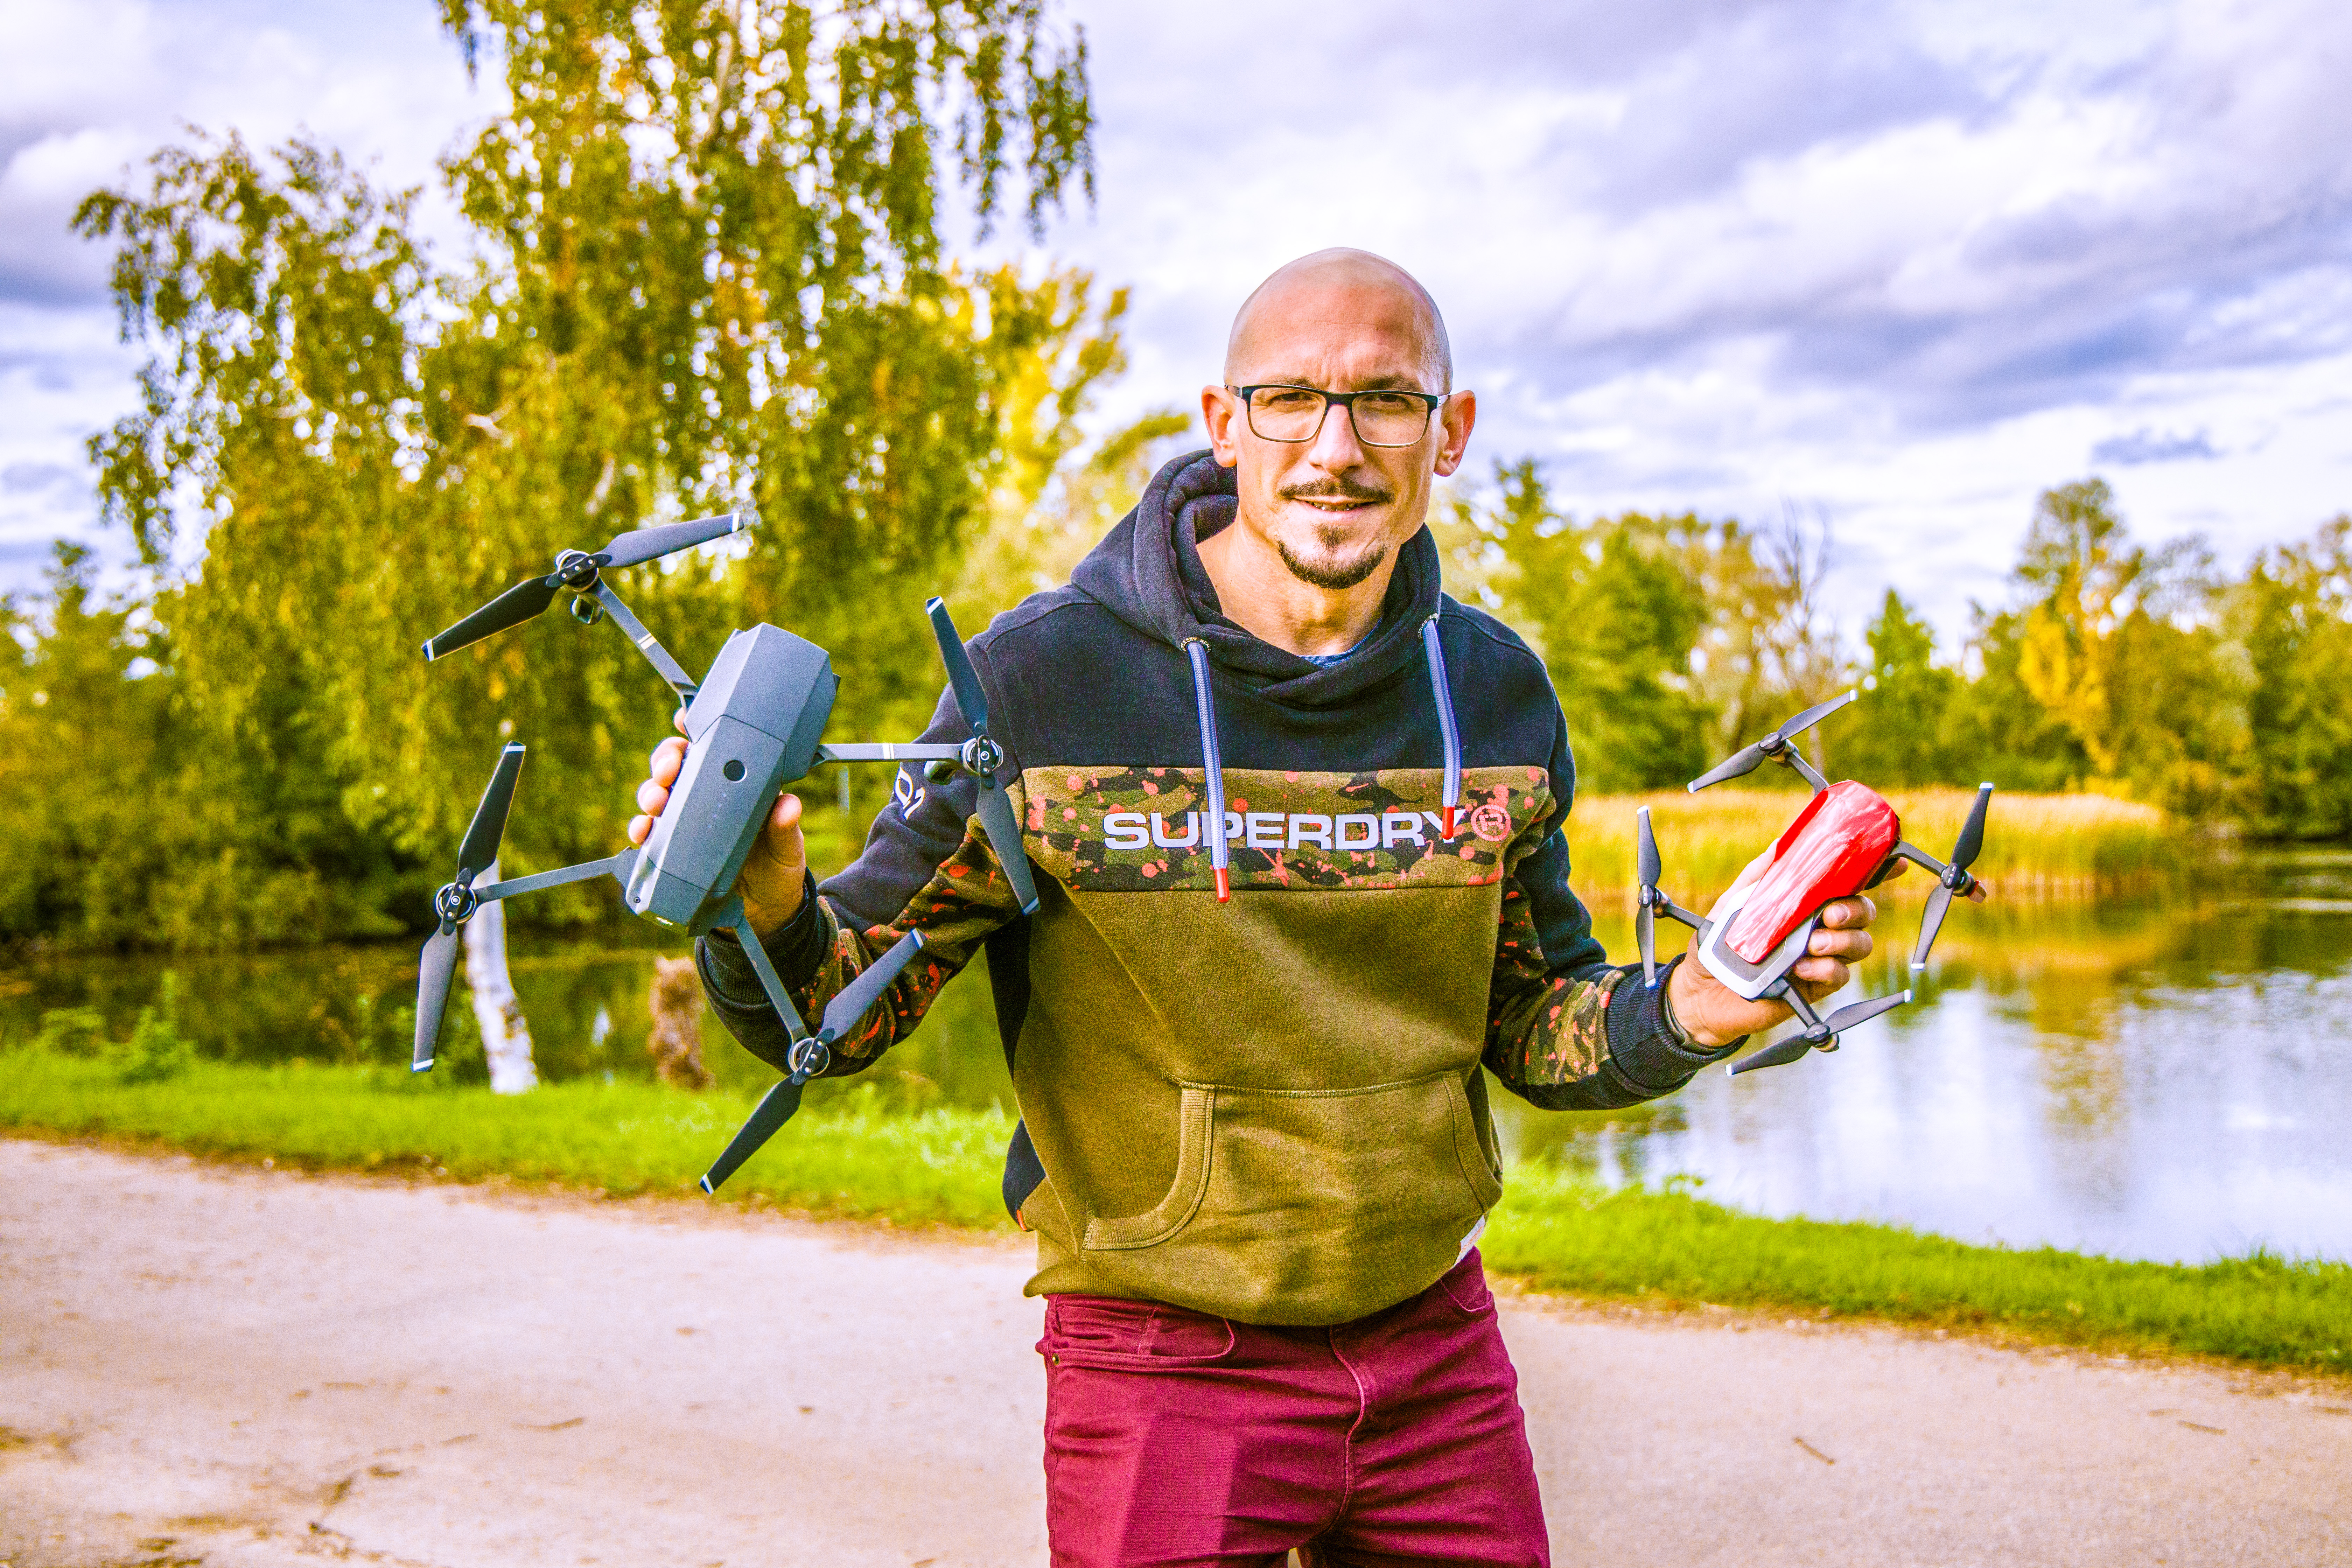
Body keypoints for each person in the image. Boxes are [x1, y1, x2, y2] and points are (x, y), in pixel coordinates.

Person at [628, 248, 1886, 1568]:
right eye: (1288, 399)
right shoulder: (1041, 682)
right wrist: (760, 903)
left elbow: (1530, 1023)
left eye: (1385, 401)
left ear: (1448, 434)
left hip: (1432, 1349)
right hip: (1164, 1356)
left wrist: (1692, 1006)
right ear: (1224, 426)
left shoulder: (1500, 693)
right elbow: (839, 1012)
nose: (1333, 447)